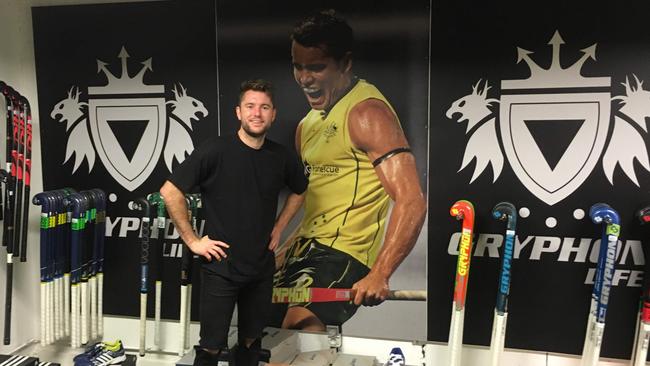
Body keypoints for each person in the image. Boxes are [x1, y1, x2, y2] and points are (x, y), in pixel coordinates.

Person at [273, 9, 427, 331]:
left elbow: (412, 200)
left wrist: (381, 272)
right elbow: (318, 207)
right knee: (257, 330)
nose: (304, 78)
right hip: (307, 248)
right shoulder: (307, 126)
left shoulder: (368, 114)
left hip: (344, 253)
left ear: (345, 63)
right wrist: (285, 251)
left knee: (298, 325)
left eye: (316, 67)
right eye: (297, 66)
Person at [160, 79, 307, 366]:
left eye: (264, 107)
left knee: (251, 342)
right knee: (211, 349)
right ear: (238, 112)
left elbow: (300, 191)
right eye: (250, 106)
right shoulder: (215, 150)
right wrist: (192, 241)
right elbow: (170, 191)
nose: (257, 113)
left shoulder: (282, 157)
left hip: (261, 268)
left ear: (273, 114)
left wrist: (279, 227)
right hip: (221, 267)